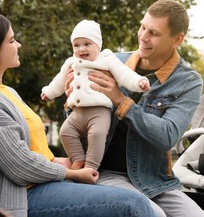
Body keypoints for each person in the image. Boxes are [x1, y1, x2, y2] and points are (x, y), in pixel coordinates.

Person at [0, 13, 155, 217]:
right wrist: (72, 173)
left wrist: (58, 162)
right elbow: (19, 166)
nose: (18, 45)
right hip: (22, 199)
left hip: (41, 187)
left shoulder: (6, 92)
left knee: (134, 200)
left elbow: (24, 152)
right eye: (12, 40)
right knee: (133, 204)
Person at [65, 0, 204, 217]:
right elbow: (80, 123)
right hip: (106, 173)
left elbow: (168, 135)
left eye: (154, 33)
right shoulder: (111, 62)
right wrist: (71, 101)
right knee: (154, 215)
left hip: (155, 181)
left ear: (177, 39)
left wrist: (120, 100)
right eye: (142, 27)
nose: (143, 36)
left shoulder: (188, 81)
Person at [41, 20, 150, 171]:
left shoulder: (107, 59)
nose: (81, 49)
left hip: (99, 112)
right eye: (76, 45)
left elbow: (124, 75)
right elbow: (59, 81)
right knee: (65, 132)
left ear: (98, 46)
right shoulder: (71, 62)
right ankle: (78, 160)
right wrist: (48, 92)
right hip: (77, 113)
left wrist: (139, 82)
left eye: (87, 44)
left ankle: (91, 167)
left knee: (97, 135)